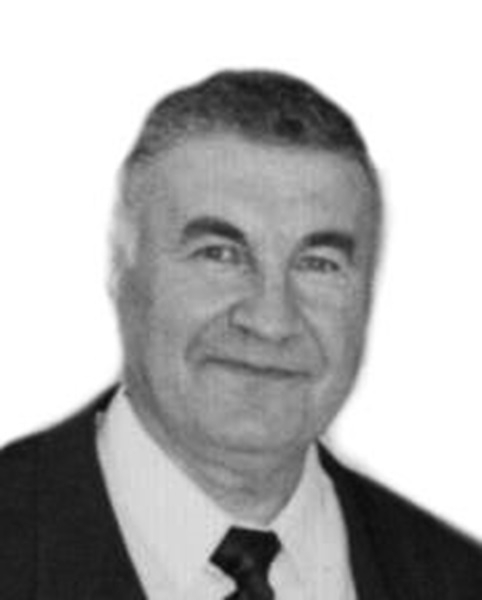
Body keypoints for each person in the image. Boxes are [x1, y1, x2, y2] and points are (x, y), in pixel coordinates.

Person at [1, 70, 481, 600]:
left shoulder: (458, 578)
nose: (271, 321)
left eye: (318, 264)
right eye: (219, 254)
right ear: (120, 266)